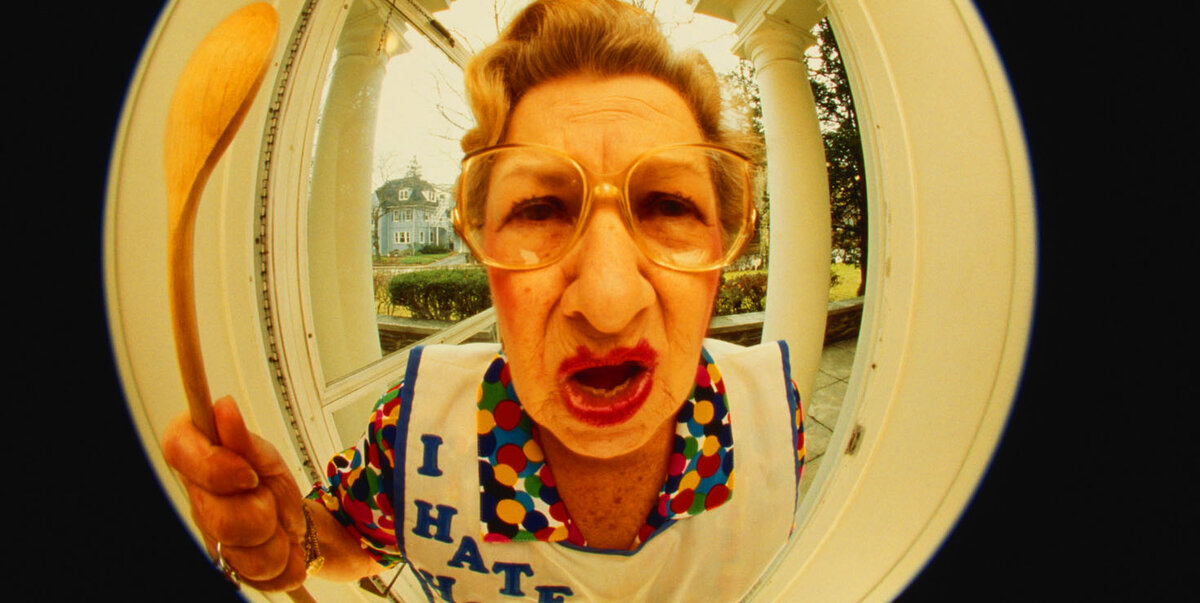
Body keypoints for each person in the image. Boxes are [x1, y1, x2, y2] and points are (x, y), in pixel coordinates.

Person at [163, 0, 805, 600]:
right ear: (483, 249)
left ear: (723, 245)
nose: (608, 302)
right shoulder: (415, 432)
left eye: (669, 206)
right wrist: (291, 539)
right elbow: (350, 541)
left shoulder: (774, 420)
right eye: (540, 210)